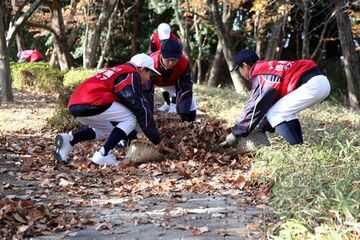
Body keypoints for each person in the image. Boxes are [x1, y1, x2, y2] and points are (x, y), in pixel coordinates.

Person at [54, 53, 163, 166]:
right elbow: (138, 106)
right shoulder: (131, 73)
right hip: (93, 102)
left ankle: (70, 140)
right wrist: (156, 139)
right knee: (131, 118)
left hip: (75, 105)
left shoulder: (118, 70)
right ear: (141, 69)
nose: (150, 78)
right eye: (150, 73)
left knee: (110, 130)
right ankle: (104, 154)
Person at [222, 49, 331, 146]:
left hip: (312, 85)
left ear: (245, 65)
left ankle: (297, 147)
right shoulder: (267, 68)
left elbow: (256, 105)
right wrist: (262, 128)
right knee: (283, 112)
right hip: (320, 82)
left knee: (276, 113)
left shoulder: (260, 73)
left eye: (239, 70)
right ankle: (299, 146)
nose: (241, 74)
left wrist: (235, 133)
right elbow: (270, 104)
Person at [149, 39, 197, 122]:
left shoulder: (184, 63)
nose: (171, 63)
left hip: (171, 83)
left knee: (192, 101)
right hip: (153, 82)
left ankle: (190, 123)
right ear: (161, 54)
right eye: (168, 59)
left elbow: (185, 88)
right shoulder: (151, 61)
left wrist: (183, 114)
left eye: (174, 60)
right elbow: (145, 87)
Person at [149, 23, 182, 113]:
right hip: (159, 62)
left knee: (175, 83)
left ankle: (173, 105)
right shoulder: (153, 38)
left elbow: (179, 55)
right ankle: (167, 103)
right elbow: (151, 52)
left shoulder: (176, 40)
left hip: (172, 63)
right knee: (161, 84)